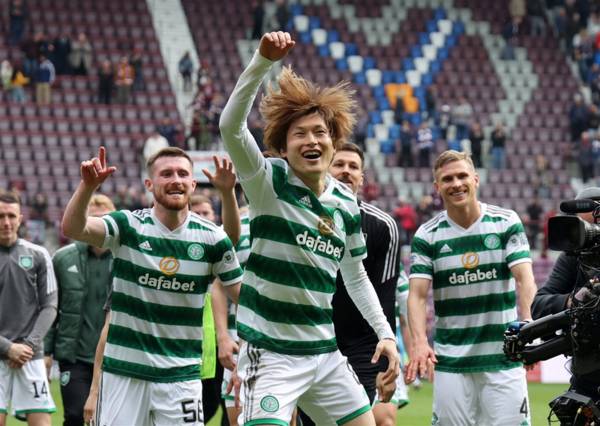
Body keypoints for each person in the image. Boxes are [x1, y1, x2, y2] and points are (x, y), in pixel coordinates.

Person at [220, 31, 399, 426]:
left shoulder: (344, 202)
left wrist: (385, 333)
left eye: (320, 133)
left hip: (324, 354)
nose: (311, 140)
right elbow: (231, 127)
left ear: (333, 144)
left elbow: (356, 277)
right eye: (299, 134)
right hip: (271, 354)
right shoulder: (268, 182)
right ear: (283, 148)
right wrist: (262, 62)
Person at [61, 146, 244, 425]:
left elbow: (244, 298)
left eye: (183, 173)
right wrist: (87, 187)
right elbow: (74, 228)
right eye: (166, 174)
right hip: (124, 374)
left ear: (193, 184)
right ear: (149, 184)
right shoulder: (128, 226)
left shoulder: (212, 238)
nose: (176, 180)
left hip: (181, 378)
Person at [406, 150, 537, 425]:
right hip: (451, 363)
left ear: (475, 179)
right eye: (447, 179)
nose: (456, 184)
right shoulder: (427, 235)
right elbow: (417, 295)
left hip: (503, 358)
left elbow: (525, 279)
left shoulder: (505, 222)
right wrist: (419, 341)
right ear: (437, 187)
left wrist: (529, 326)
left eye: (462, 176)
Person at [299, 142, 403, 426]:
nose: (346, 171)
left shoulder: (383, 227)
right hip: (314, 338)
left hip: (363, 346)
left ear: (362, 177)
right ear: (326, 169)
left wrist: (385, 360)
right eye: (339, 164)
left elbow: (385, 295)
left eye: (353, 167)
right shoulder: (302, 215)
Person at [43, 194, 115, 426]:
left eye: (104, 219)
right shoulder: (63, 258)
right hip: (75, 357)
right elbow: (51, 308)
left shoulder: (126, 258)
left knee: (108, 420)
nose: (98, 225)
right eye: (93, 219)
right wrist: (45, 352)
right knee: (74, 416)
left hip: (115, 357)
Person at [531, 187, 600, 402]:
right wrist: (573, 301)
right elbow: (539, 305)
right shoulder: (574, 256)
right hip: (588, 374)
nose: (589, 232)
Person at [0, 191, 57, 426]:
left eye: (11, 216)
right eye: (0, 216)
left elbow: (50, 306)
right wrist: (7, 348)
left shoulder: (38, 254)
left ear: (20, 218)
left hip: (29, 356)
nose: (6, 222)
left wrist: (27, 347)